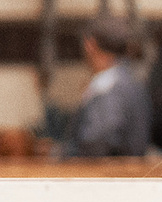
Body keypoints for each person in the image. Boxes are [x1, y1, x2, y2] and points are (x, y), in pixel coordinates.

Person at [60, 14, 152, 158]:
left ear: (90, 44)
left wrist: (62, 157)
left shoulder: (108, 88)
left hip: (104, 176)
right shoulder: (131, 81)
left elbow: (95, 144)